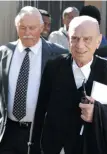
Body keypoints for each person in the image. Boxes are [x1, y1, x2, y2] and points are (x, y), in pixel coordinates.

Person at [29, 15, 107, 154]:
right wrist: (34, 147)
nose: (80, 45)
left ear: (98, 41)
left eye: (87, 39)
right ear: (68, 40)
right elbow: (40, 112)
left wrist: (98, 112)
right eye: (75, 38)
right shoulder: (54, 67)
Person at [0, 6, 67, 154]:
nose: (27, 33)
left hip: (41, 133)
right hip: (7, 133)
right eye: (23, 27)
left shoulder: (58, 55)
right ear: (16, 26)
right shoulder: (4, 53)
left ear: (42, 27)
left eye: (32, 28)